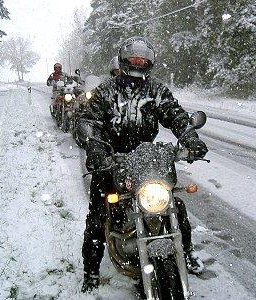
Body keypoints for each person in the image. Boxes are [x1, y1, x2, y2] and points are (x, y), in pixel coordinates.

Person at [77, 36, 209, 293]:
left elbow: (176, 115)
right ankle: (90, 272)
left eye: (143, 60)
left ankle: (188, 253)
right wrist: (93, 145)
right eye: (133, 59)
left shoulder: (156, 91)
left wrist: (190, 137)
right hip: (111, 160)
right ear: (124, 60)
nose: (138, 63)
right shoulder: (106, 91)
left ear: (149, 63)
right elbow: (87, 120)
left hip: (147, 159)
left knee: (174, 206)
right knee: (97, 217)